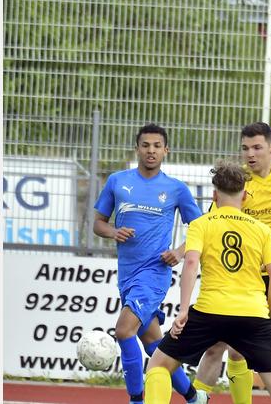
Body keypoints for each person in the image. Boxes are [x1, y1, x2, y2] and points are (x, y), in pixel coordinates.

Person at [143, 161, 271, 404]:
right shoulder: (262, 230)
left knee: (159, 365)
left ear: (214, 196)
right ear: (245, 196)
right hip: (253, 314)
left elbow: (191, 263)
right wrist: (267, 316)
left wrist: (183, 311)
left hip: (209, 311)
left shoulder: (201, 224)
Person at [193, 122, 271, 404]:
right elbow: (214, 221)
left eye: (257, 147)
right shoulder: (237, 182)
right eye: (245, 148)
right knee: (235, 349)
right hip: (244, 276)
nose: (250, 154)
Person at [93, 124, 206, 404]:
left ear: (166, 150)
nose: (151, 151)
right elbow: (97, 223)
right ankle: (194, 397)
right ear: (137, 149)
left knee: (124, 330)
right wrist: (113, 232)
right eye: (145, 145)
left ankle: (136, 399)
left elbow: (202, 228)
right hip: (127, 275)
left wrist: (179, 251)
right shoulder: (117, 181)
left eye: (157, 146)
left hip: (155, 273)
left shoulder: (175, 188)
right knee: (154, 344)